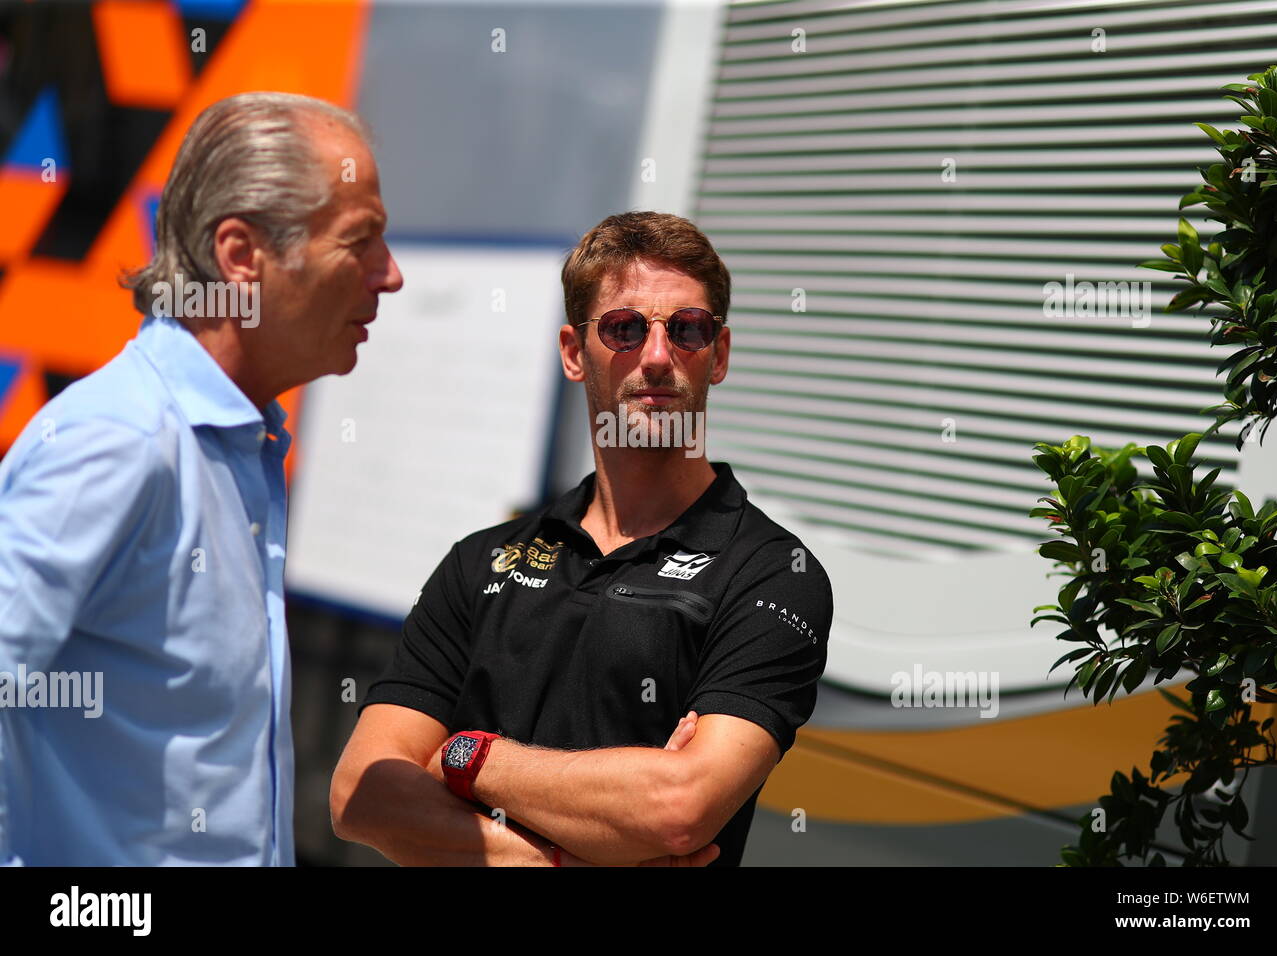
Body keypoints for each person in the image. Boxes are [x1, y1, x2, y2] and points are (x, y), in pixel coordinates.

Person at [331, 211, 832, 866]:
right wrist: (553, 860)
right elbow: (360, 794)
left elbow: (678, 810)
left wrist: (465, 755)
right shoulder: (480, 561)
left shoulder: (773, 573)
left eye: (687, 330)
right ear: (574, 353)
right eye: (624, 329)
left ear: (720, 354)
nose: (657, 356)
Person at [0, 91, 404, 865]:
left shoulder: (238, 442)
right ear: (241, 255)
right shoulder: (120, 440)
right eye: (362, 241)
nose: (390, 276)